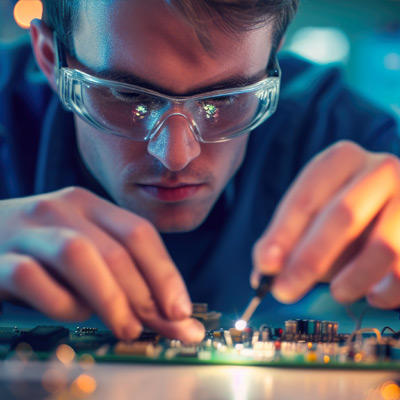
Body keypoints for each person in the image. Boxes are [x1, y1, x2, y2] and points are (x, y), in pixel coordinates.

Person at [0, 0, 399, 344]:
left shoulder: (333, 128)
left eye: (224, 100)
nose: (176, 156)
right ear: (51, 59)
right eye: (128, 95)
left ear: (271, 56)